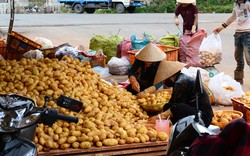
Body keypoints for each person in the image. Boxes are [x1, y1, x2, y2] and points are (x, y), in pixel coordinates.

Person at [147, 60, 214, 127]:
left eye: (165, 79)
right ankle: (166, 122)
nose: (164, 82)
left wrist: (160, 117)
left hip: (202, 118)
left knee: (177, 108)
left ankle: (168, 123)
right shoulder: (180, 79)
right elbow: (172, 102)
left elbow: (177, 107)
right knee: (167, 106)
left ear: (171, 77)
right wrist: (162, 113)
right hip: (194, 110)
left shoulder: (180, 82)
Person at [213, 0, 250, 84]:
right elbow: (233, 16)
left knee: (249, 58)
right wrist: (222, 27)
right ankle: (238, 79)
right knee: (238, 57)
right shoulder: (236, 4)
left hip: (248, 33)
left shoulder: (248, 3)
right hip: (238, 34)